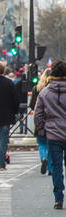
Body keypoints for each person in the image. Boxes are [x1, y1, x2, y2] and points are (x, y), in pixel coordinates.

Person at [34, 60, 66, 209]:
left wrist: (41, 130)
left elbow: (38, 114)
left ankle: (58, 198)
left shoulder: (45, 92)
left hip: (53, 135)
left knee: (57, 167)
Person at [30, 68, 52, 176]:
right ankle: (50, 166)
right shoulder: (53, 88)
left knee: (41, 143)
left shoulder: (37, 88)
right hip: (52, 119)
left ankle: (43, 158)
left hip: (40, 118)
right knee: (52, 145)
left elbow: (32, 104)